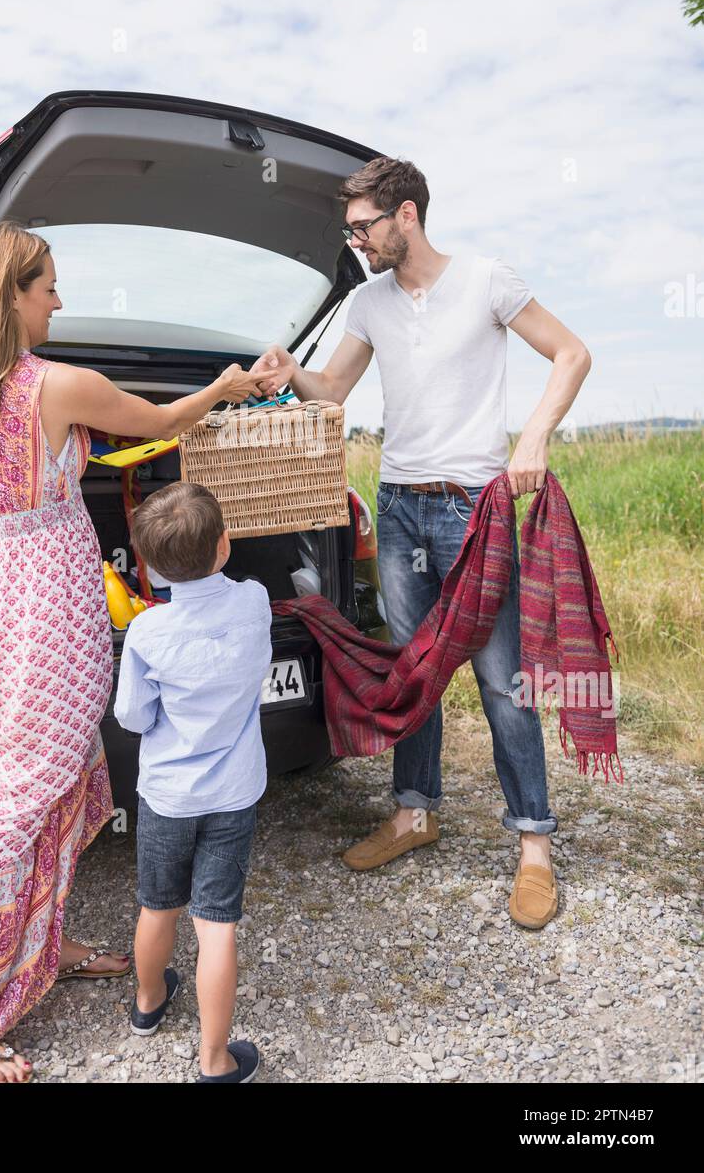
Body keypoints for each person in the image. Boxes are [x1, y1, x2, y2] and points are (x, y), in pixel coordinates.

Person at [0, 222, 270, 1084]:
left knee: (27, 791)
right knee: (12, 809)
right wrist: (225, 383)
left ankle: (32, 951)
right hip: (53, 621)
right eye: (48, 286)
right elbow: (167, 421)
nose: (59, 301)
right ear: (10, 295)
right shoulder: (62, 385)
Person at [252, 156, 592, 930]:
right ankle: (413, 812)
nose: (357, 241)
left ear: (405, 216)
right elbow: (331, 392)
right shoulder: (369, 303)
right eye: (351, 229)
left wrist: (531, 439)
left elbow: (571, 354)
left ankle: (533, 842)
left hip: (475, 507)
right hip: (400, 504)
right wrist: (288, 370)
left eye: (364, 226)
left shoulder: (485, 280)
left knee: (501, 679)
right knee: (415, 671)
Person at [114, 482, 270, 1083]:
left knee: (158, 907)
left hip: (167, 798)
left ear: (148, 567)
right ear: (225, 545)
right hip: (233, 795)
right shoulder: (254, 600)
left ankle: (149, 1003)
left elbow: (132, 716)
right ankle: (215, 1059)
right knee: (217, 925)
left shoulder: (149, 634)